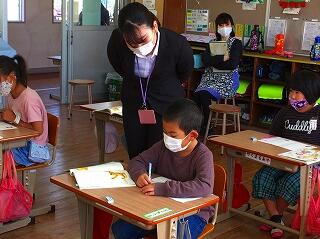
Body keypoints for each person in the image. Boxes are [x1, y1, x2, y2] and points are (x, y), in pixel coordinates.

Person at [111, 98, 214, 239]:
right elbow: (137, 161)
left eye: (172, 135)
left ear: (192, 136)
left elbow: (204, 186)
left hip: (194, 214)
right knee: (122, 230)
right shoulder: (162, 146)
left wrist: (163, 188)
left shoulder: (203, 155)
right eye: (164, 132)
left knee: (173, 235)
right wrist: (139, 174)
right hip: (160, 207)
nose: (167, 138)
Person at [107, 2, 194, 159]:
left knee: (160, 152)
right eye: (131, 43)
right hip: (134, 102)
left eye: (143, 39)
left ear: (154, 26)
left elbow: (185, 71)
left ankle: (157, 183)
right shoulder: (117, 39)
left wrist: (163, 85)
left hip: (166, 104)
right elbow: (118, 64)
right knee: (135, 151)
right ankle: (139, 179)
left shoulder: (177, 43)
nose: (138, 46)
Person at [252, 70, 320, 238]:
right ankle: (276, 219)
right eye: (291, 91)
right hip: (283, 160)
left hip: (309, 167)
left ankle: (274, 218)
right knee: (262, 177)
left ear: (310, 93)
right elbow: (273, 136)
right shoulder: (285, 113)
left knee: (290, 184)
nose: (292, 96)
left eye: (297, 92)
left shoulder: (318, 114)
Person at [193, 13, 242, 134]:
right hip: (210, 79)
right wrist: (222, 58)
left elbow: (232, 65)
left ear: (232, 26)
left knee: (204, 94)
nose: (224, 27)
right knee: (197, 95)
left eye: (227, 24)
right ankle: (196, 125)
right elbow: (205, 61)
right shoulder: (212, 42)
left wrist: (213, 61)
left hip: (227, 80)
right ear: (217, 27)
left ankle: (207, 126)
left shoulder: (236, 43)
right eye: (221, 25)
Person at [0, 55, 49, 166]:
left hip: (33, 150)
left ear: (11, 77)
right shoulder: (11, 94)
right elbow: (11, 116)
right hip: (21, 142)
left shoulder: (29, 99)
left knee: (1, 155)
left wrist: (14, 119)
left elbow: (38, 130)